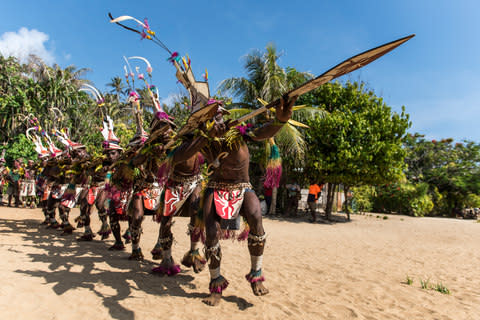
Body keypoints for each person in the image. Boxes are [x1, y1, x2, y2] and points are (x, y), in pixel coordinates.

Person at [174, 94, 296, 306]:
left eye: (219, 114)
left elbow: (261, 132)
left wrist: (280, 121)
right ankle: (216, 284)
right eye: (212, 116)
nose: (218, 118)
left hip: (243, 187)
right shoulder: (200, 140)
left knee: (257, 217)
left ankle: (256, 274)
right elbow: (178, 156)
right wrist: (205, 137)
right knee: (211, 233)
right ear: (204, 121)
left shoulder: (239, 132)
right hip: (215, 187)